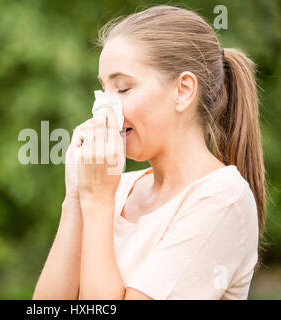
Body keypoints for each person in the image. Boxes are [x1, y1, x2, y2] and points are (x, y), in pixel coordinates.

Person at [33, 5, 266, 300]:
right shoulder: (118, 188)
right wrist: (76, 197)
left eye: (124, 88)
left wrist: (97, 201)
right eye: (103, 91)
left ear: (182, 90)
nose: (104, 109)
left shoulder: (222, 200)